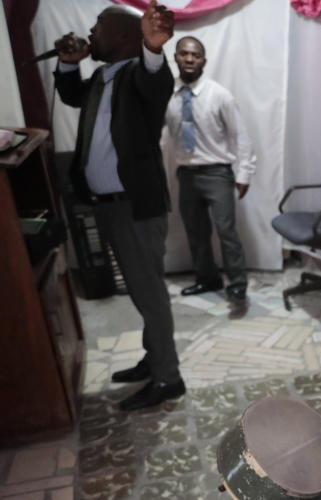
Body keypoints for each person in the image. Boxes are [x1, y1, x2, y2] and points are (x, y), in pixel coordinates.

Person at [54, 1, 185, 411]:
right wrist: (69, 63)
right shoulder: (100, 79)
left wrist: (153, 47)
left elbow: (155, 80)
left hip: (135, 206)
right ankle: (154, 359)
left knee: (150, 294)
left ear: (126, 38)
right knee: (142, 292)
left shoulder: (138, 75)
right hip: (108, 205)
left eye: (98, 27)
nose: (90, 33)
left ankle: (168, 378)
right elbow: (71, 93)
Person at [165, 35, 256, 302]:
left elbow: (242, 137)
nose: (190, 59)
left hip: (217, 173)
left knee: (227, 231)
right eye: (184, 54)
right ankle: (207, 279)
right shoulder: (168, 95)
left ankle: (238, 284)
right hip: (186, 174)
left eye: (196, 55)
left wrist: (244, 174)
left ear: (204, 60)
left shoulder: (220, 95)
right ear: (176, 57)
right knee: (196, 232)